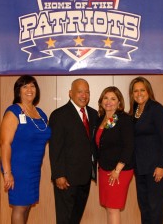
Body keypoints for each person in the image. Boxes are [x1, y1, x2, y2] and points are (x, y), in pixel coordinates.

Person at [0, 75, 51, 224]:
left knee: (27, 206)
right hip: (17, 167)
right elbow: (5, 144)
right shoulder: (13, 112)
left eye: (32, 86)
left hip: (34, 168)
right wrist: (7, 172)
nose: (29, 89)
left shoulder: (41, 114)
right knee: (19, 207)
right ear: (18, 91)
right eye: (25, 86)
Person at [49, 78, 98, 224]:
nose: (84, 95)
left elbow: (107, 129)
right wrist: (59, 174)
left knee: (76, 217)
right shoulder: (59, 115)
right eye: (80, 91)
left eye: (87, 92)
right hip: (66, 179)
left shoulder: (94, 114)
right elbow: (55, 147)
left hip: (85, 177)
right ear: (70, 93)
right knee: (65, 218)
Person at [128, 76, 163, 224]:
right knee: (144, 207)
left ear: (148, 91)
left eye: (142, 90)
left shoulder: (156, 109)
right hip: (140, 168)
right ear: (132, 94)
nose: (139, 93)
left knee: (155, 208)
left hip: (155, 168)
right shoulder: (133, 111)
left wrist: (161, 165)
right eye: (135, 91)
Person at [95, 86, 134, 224]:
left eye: (113, 98)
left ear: (119, 103)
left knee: (113, 207)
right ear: (101, 101)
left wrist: (117, 170)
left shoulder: (123, 119)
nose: (108, 101)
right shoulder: (100, 119)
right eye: (106, 98)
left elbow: (129, 146)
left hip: (119, 171)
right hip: (104, 169)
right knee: (109, 207)